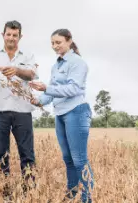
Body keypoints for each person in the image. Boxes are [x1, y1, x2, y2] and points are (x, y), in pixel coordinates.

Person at [29, 29, 94, 203]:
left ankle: (87, 198)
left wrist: (46, 88)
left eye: (58, 42)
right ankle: (71, 194)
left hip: (76, 112)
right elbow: (52, 93)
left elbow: (73, 89)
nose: (55, 46)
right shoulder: (56, 65)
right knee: (68, 158)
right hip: (60, 114)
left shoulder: (78, 63)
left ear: (69, 41)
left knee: (80, 159)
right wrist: (38, 101)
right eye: (52, 43)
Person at [0, 20, 39, 181]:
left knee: (27, 153)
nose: (11, 38)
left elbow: (32, 75)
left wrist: (17, 70)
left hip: (23, 111)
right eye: (8, 34)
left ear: (20, 36)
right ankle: (4, 192)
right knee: (1, 154)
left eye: (15, 35)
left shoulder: (28, 55)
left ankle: (29, 192)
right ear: (3, 35)